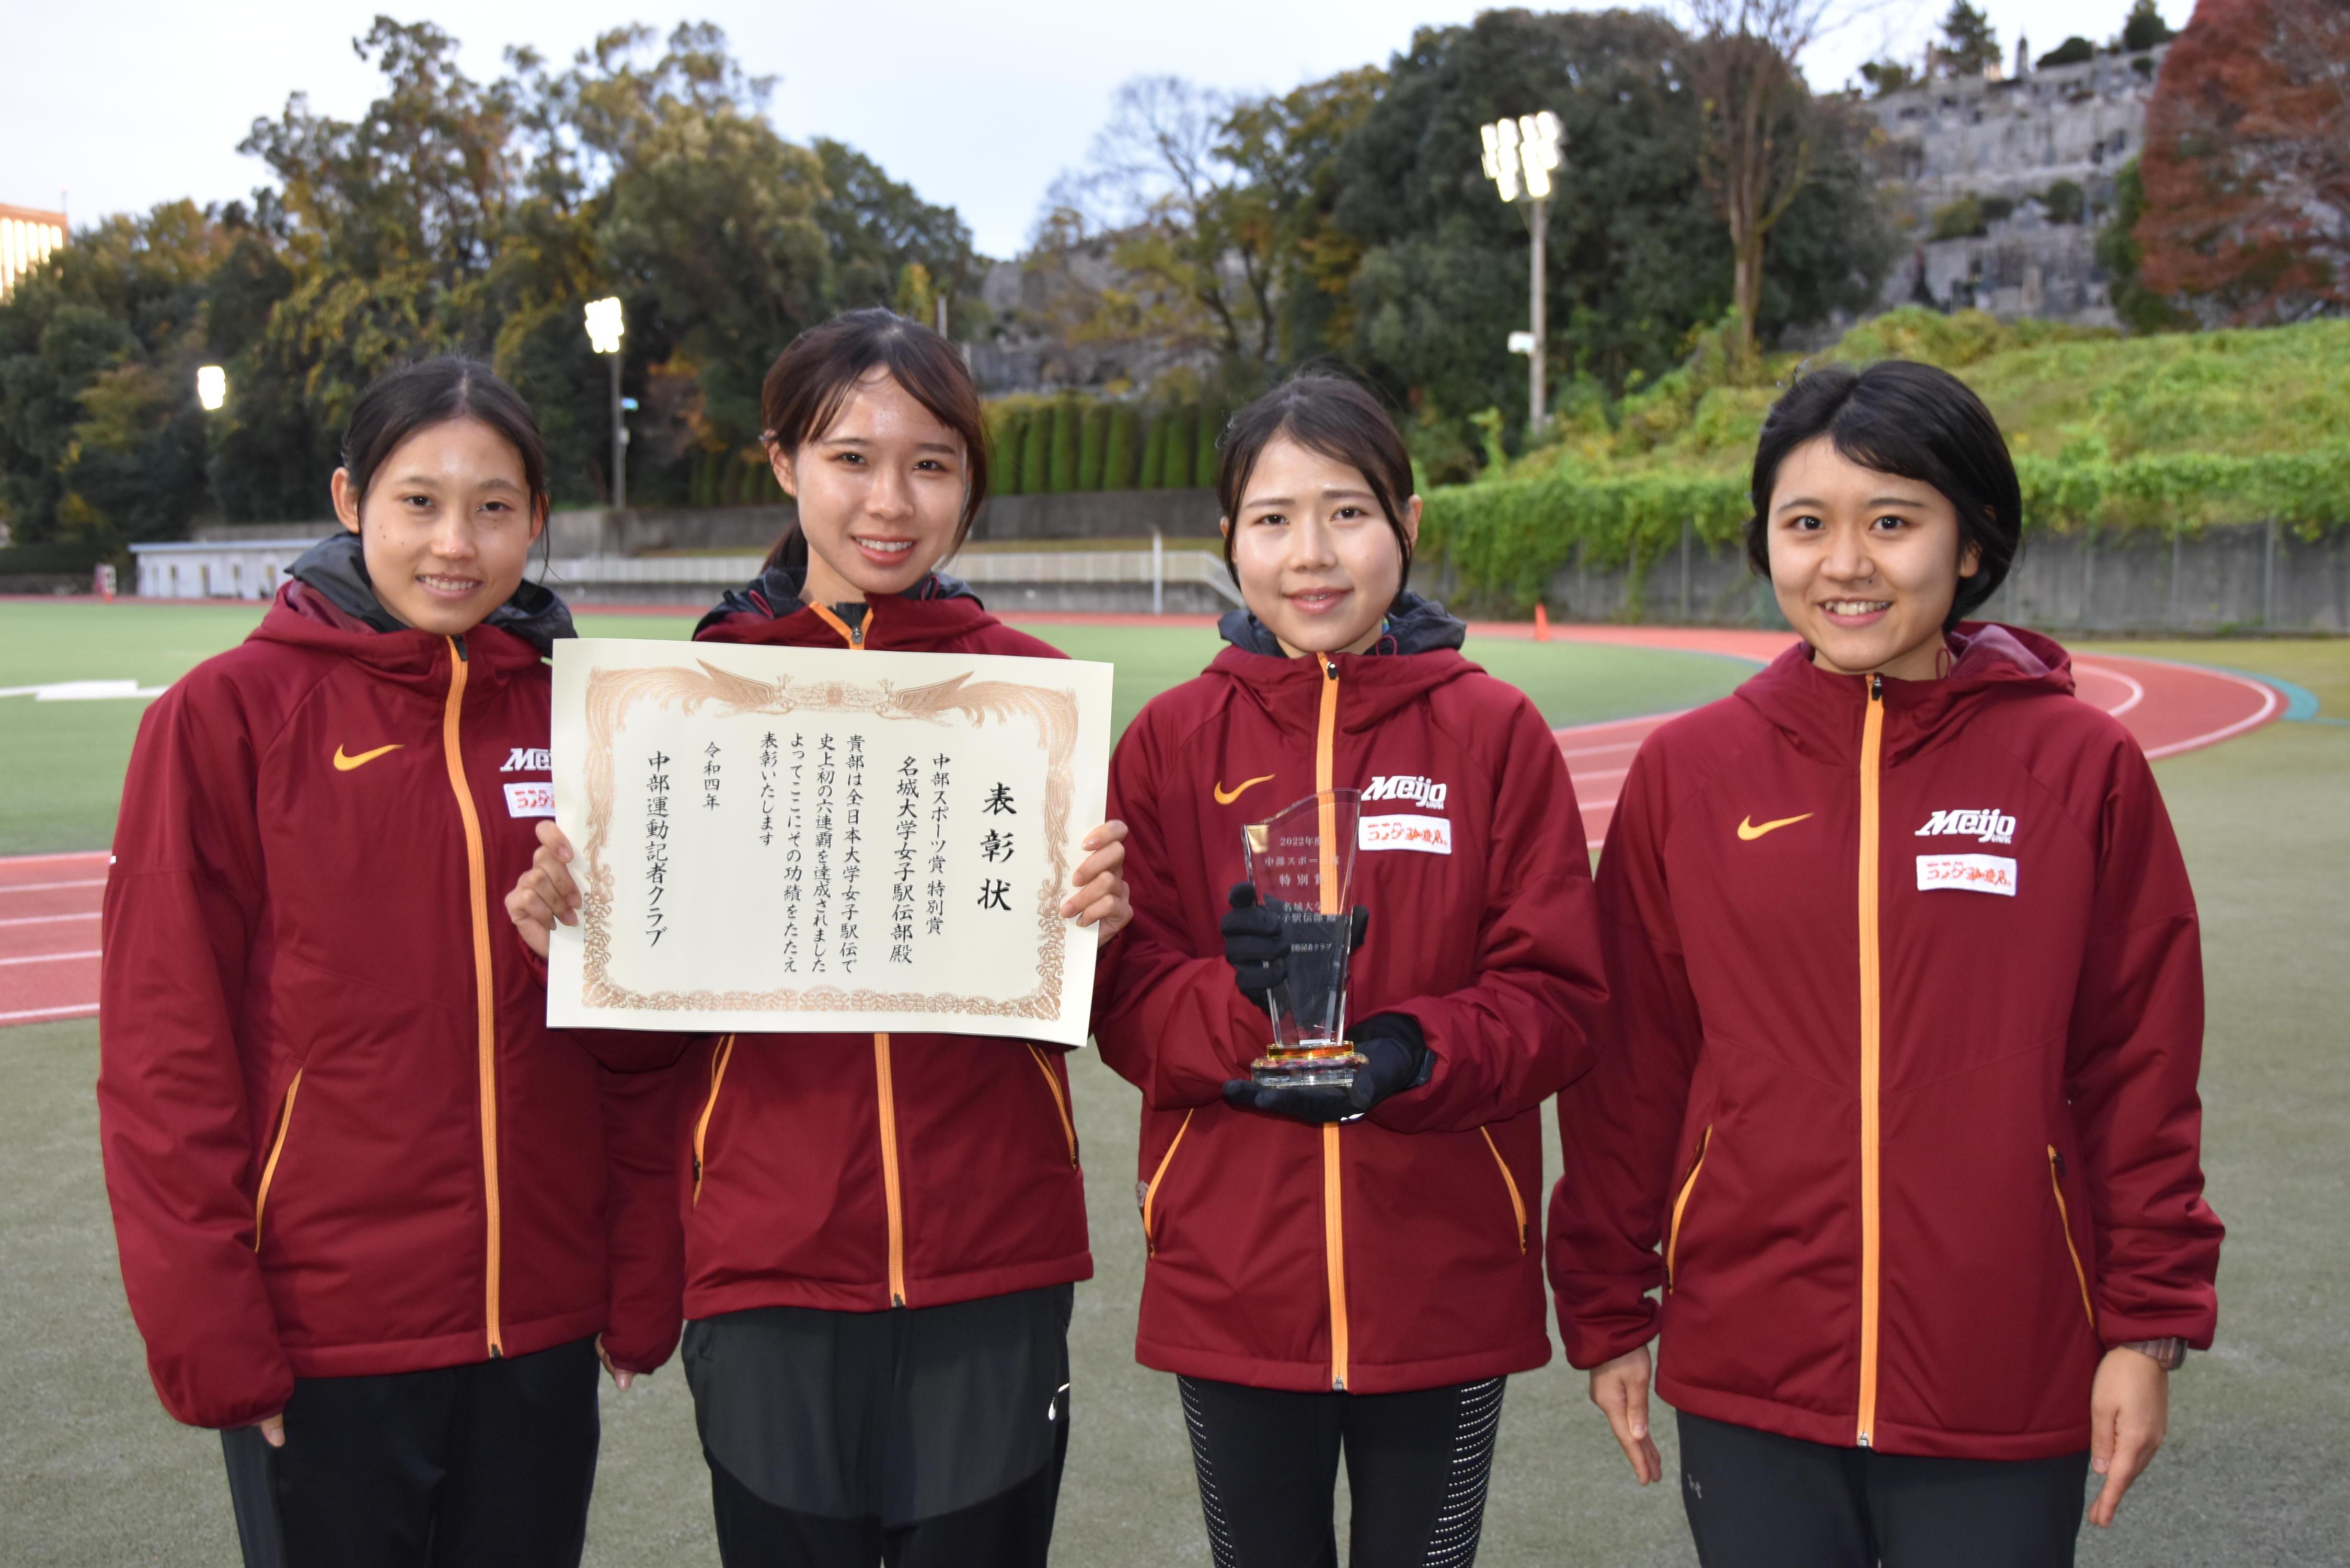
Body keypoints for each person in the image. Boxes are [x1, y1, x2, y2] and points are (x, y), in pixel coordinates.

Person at [1548, 361, 2225, 1567]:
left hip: (2003, 1367)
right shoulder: (1690, 774)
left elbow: (2139, 1062)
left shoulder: (2079, 768)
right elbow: (1632, 1070)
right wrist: (1607, 1308)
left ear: (1972, 542)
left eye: (1893, 523)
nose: (1845, 564)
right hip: (1749, 1363)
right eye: (1806, 524)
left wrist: (2146, 1326)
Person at [504, 308, 1130, 1568]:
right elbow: (641, 1058)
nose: (890, 501)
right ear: (783, 462)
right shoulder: (683, 711)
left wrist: (1101, 927)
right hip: (768, 1266)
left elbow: (1084, 1015)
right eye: (851, 458)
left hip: (990, 1264)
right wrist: (574, 945)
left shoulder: (1034, 702)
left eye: (930, 464)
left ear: (968, 482)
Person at [98, 358, 682, 1568]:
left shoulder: (595, 727)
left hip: (538, 1331)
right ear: (350, 499)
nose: (455, 543)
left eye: (494, 506)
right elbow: (164, 1054)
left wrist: (635, 1279)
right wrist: (210, 1330)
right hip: (326, 1340)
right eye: (419, 501)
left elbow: (638, 1044)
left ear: (537, 518)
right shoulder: (224, 719)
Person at [1088, 373, 1605, 1567]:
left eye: (1348, 513)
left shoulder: (1494, 732)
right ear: (1230, 539)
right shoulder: (1169, 742)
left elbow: (1558, 999)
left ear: (1407, 524)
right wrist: (1242, 1011)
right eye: (1272, 519)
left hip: (1443, 1275)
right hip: (1232, 1275)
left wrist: (1408, 1054)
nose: (1311, 555)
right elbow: (1126, 1003)